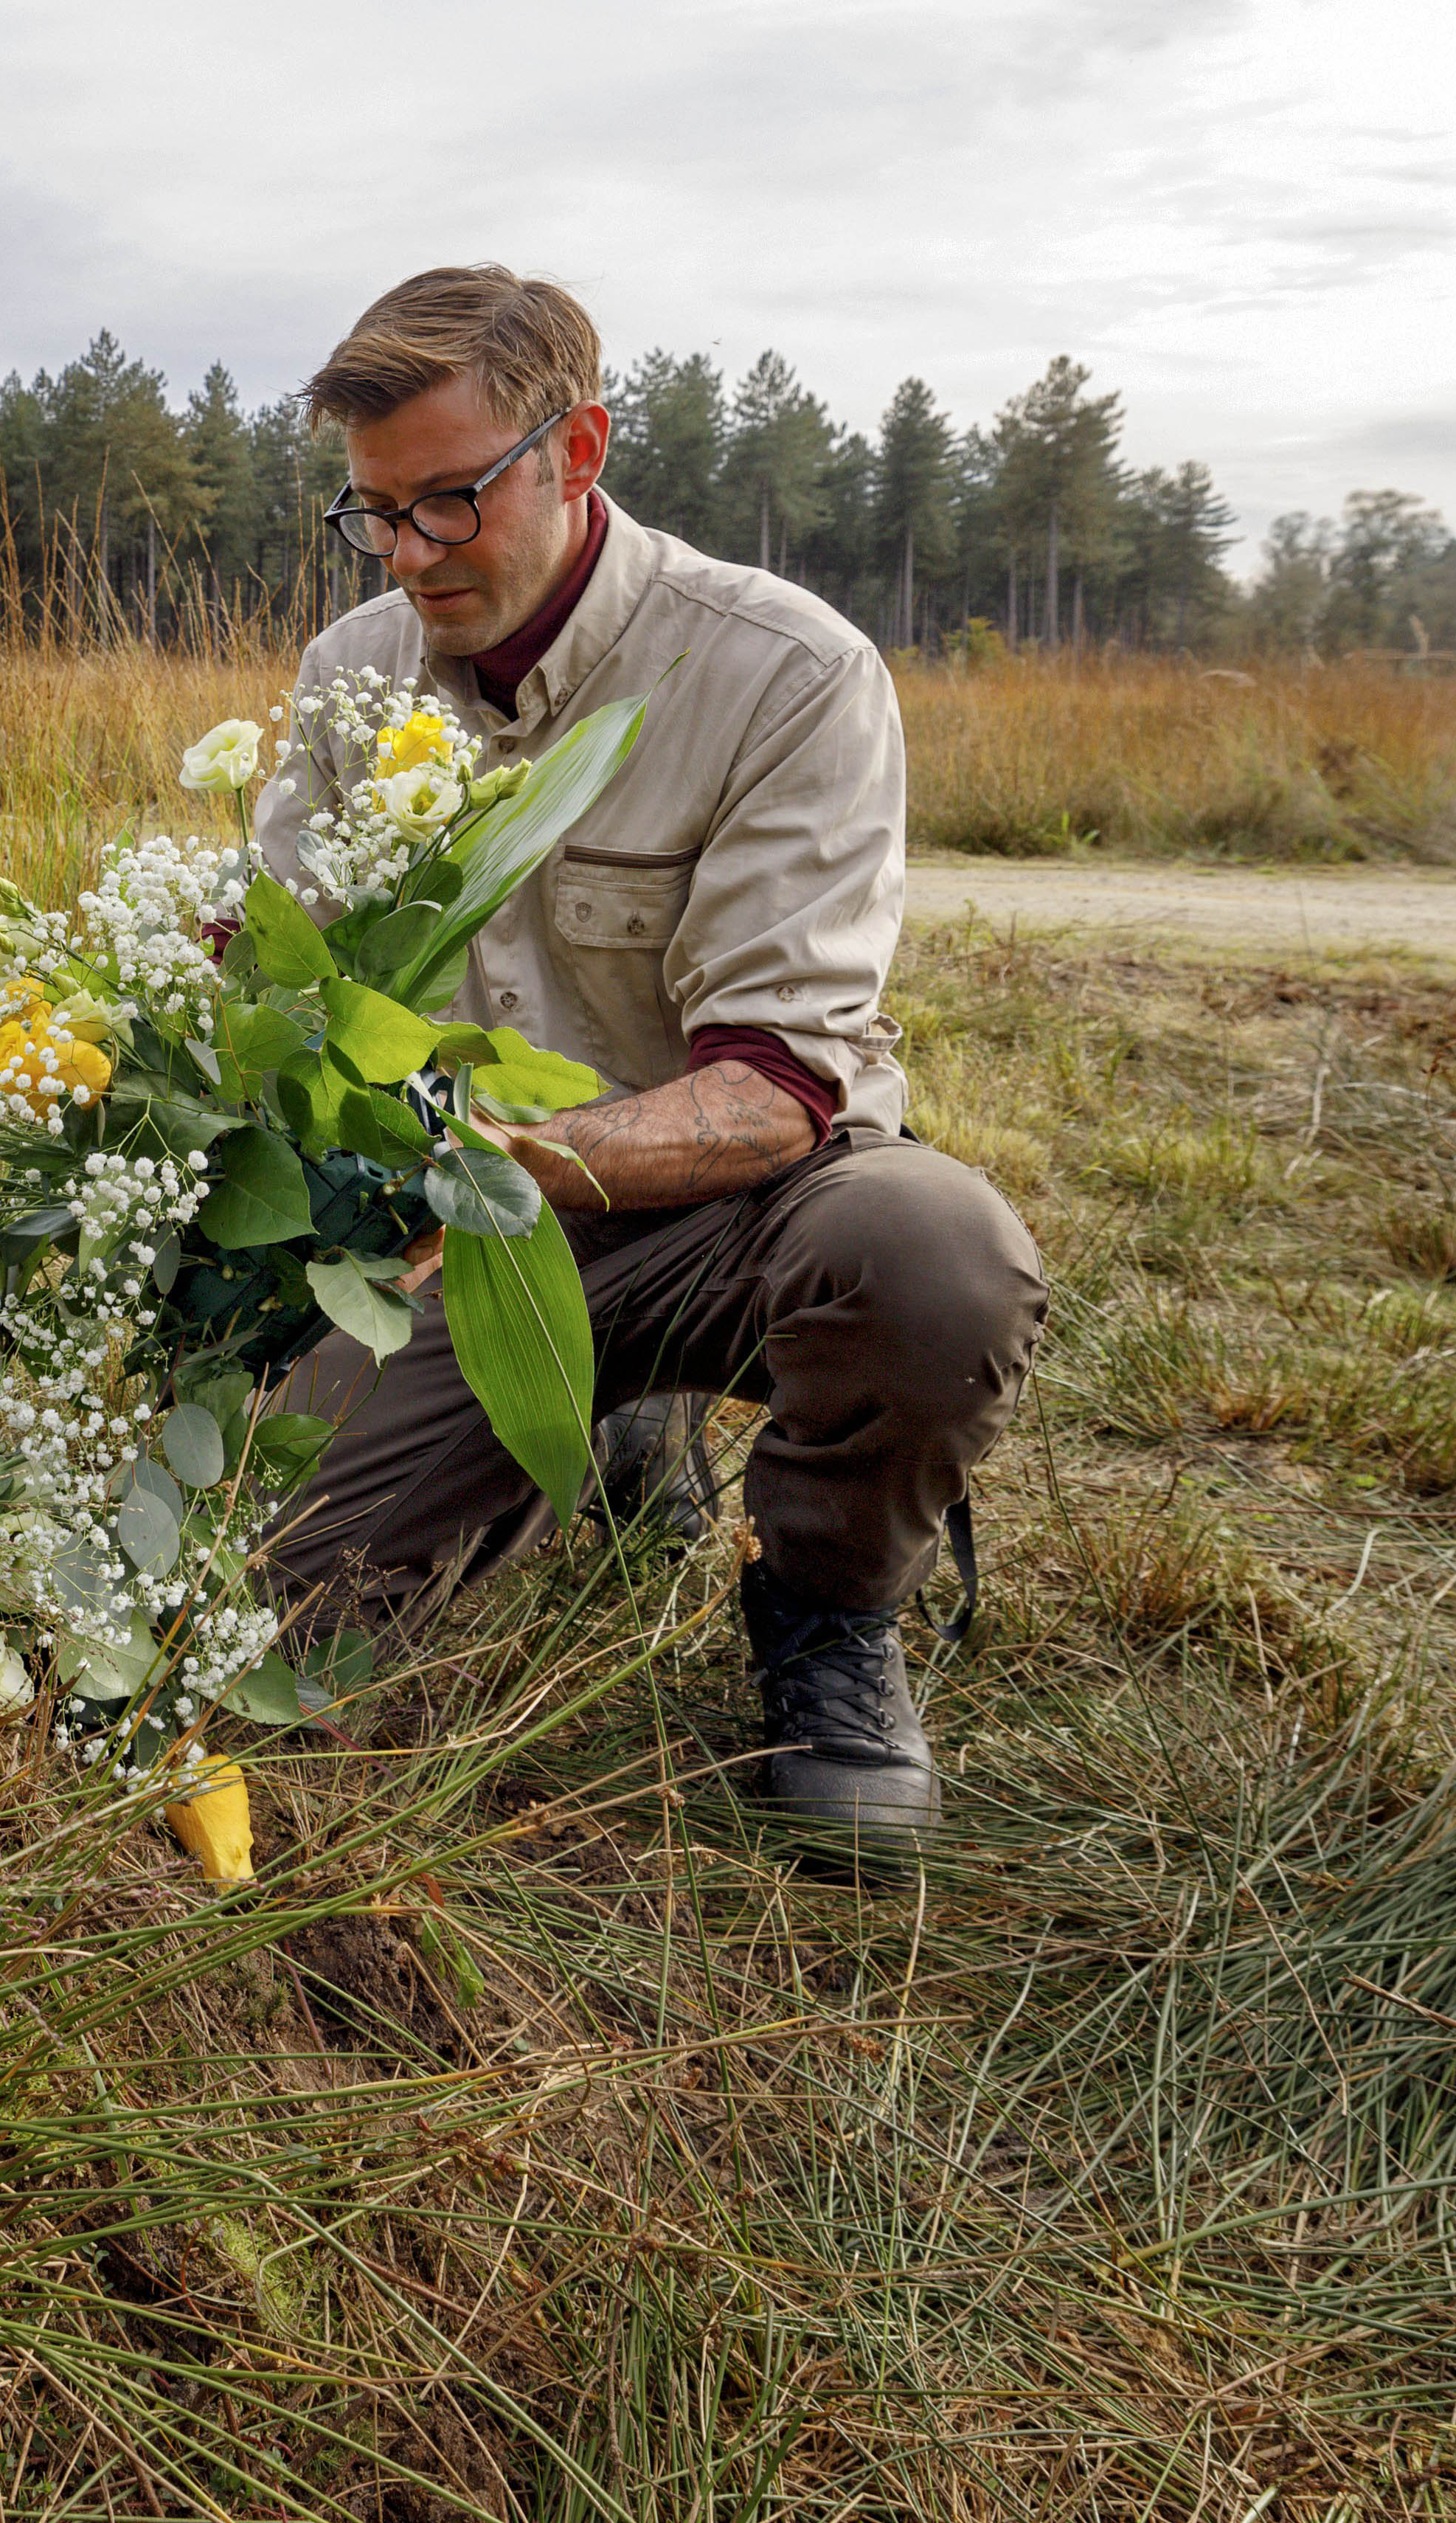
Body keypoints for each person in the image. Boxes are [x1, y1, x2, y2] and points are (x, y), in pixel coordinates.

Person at [250, 265, 1043, 1853]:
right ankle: (595, 1424)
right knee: (267, 1611)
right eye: (375, 514)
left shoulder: (782, 671)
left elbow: (779, 1086)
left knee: (935, 1258)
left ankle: (828, 1617)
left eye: (450, 503)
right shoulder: (355, 675)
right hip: (462, 1230)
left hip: (737, 1207)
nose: (410, 556)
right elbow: (285, 973)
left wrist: (494, 1176)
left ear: (579, 449)